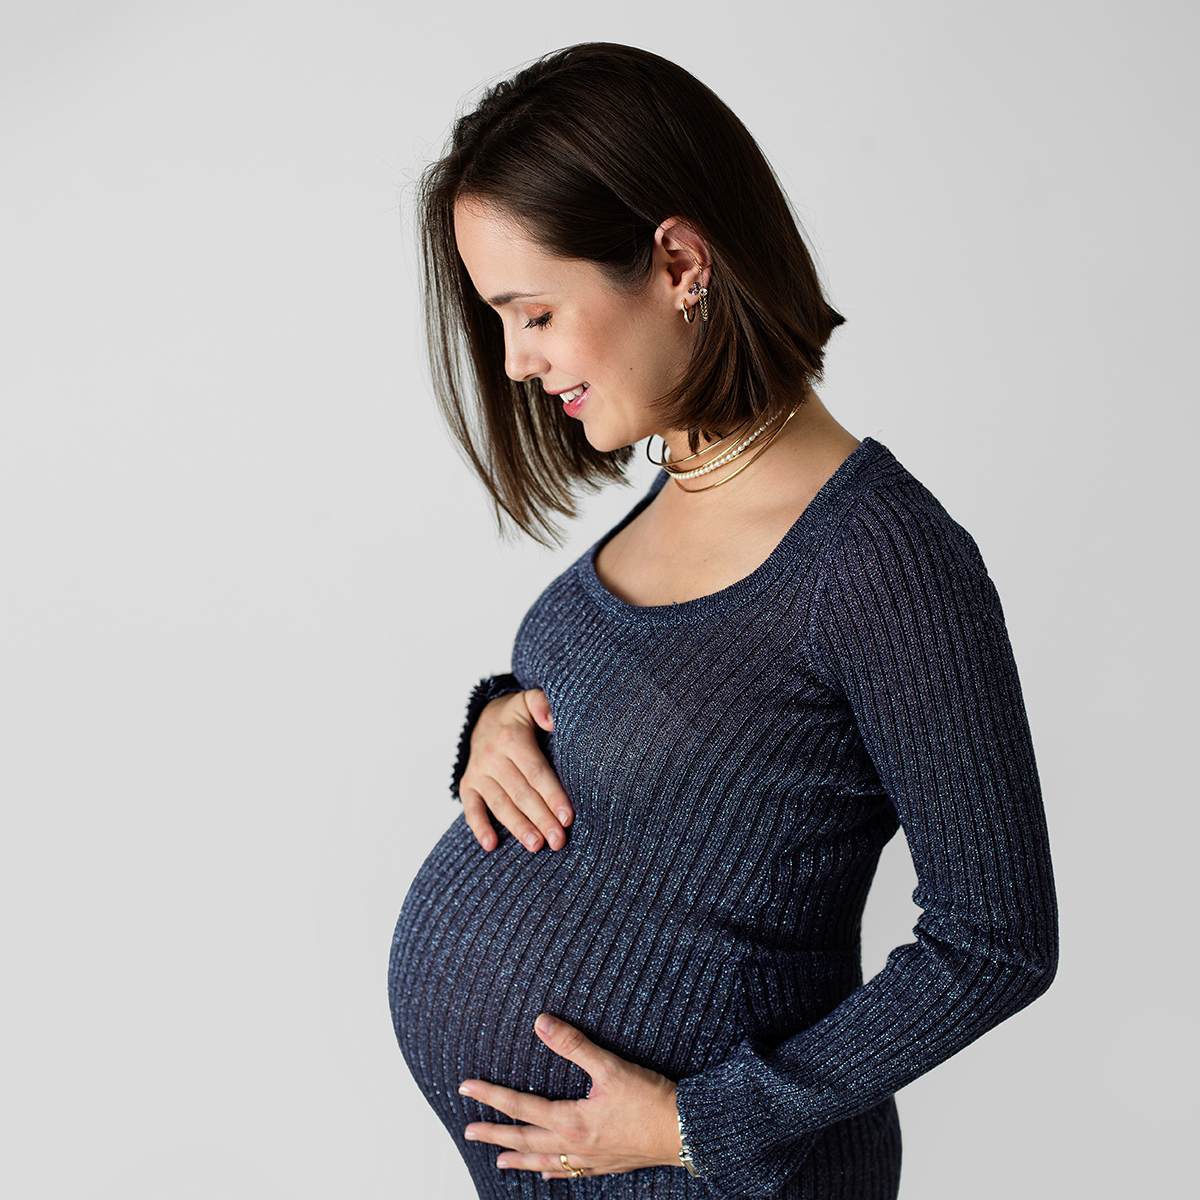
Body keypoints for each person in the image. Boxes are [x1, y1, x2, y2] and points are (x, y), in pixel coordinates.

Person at [388, 42, 1057, 1200]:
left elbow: (995, 942)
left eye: (533, 312)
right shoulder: (684, 484)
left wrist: (702, 1122)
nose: (514, 361)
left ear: (680, 263)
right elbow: (682, 729)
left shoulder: (883, 560)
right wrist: (499, 719)